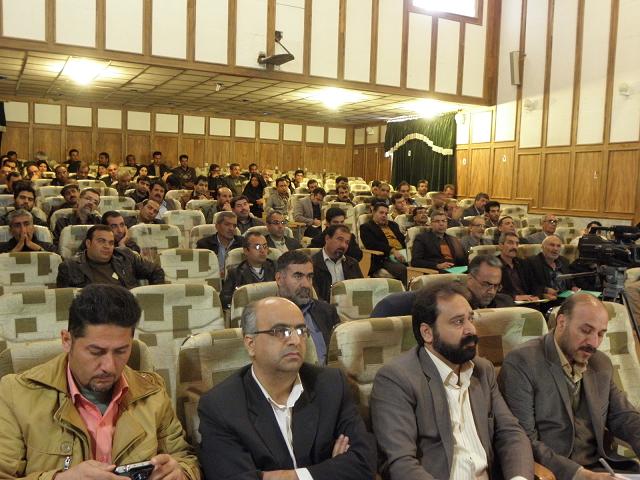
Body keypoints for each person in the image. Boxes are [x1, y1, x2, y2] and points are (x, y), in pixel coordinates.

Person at [0, 283, 200, 479]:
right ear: (67, 341)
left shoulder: (152, 393)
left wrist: (180, 473)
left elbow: (185, 459)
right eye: (96, 352)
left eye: (121, 351)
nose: (109, 366)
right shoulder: (15, 394)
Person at [198, 297, 376, 479]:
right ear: (251, 344)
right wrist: (331, 469)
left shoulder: (331, 385)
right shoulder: (220, 406)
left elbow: (364, 463)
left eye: (301, 330)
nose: (295, 340)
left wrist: (289, 477)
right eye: (280, 331)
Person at [370, 283, 535, 480]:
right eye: (458, 322)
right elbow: (400, 463)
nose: (471, 329)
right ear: (427, 333)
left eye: (470, 318)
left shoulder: (483, 370)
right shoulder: (396, 379)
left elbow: (511, 433)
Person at [498, 294, 640, 479]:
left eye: (600, 334)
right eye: (586, 330)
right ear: (562, 322)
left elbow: (624, 417)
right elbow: (522, 440)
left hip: (602, 468)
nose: (594, 343)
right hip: (552, 473)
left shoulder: (600, 363)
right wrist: (581, 475)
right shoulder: (522, 363)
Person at [276, 250, 340, 365]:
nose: (306, 284)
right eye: (298, 276)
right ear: (279, 279)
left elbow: (339, 355)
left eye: (309, 277)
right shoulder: (265, 317)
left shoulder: (327, 311)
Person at [57, 225, 165, 288]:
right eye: (101, 241)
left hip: (129, 310)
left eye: (111, 243)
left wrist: (152, 300)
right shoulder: (70, 267)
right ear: (88, 243)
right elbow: (65, 303)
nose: (107, 246)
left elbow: (156, 271)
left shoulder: (125, 256)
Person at [220, 232, 276, 308]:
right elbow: (224, 300)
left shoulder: (276, 267)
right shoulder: (235, 273)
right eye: (257, 247)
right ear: (246, 250)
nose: (262, 251)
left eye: (265, 246)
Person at [311, 225, 363, 303]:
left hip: (350, 306)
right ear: (327, 238)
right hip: (323, 307)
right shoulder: (312, 264)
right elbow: (313, 297)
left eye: (347, 242)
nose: (343, 245)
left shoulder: (352, 263)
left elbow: (361, 291)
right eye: (339, 239)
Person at [360, 202, 407, 283]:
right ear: (373, 212)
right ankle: (406, 290)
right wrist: (392, 250)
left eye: (386, 213)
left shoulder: (393, 225)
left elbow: (402, 240)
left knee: (418, 265)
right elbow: (372, 245)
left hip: (402, 253)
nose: (384, 215)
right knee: (403, 269)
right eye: (381, 213)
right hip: (383, 258)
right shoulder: (366, 227)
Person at [525, 234, 577, 300]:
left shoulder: (564, 261)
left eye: (558, 246)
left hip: (566, 298)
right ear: (542, 247)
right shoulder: (532, 262)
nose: (555, 249)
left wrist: (573, 287)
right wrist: (545, 291)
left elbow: (570, 281)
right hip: (548, 300)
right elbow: (530, 285)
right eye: (552, 245)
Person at [196, 211, 243, 275]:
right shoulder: (204, 244)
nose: (231, 228)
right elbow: (200, 270)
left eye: (234, 226)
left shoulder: (242, 243)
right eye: (227, 224)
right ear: (217, 226)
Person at [497, 232, 540, 302]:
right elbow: (494, 290)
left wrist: (536, 296)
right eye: (510, 243)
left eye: (517, 244)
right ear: (501, 245)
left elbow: (534, 284)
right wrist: (514, 297)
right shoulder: (493, 265)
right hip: (507, 304)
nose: (514, 247)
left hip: (528, 301)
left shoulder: (523, 263)